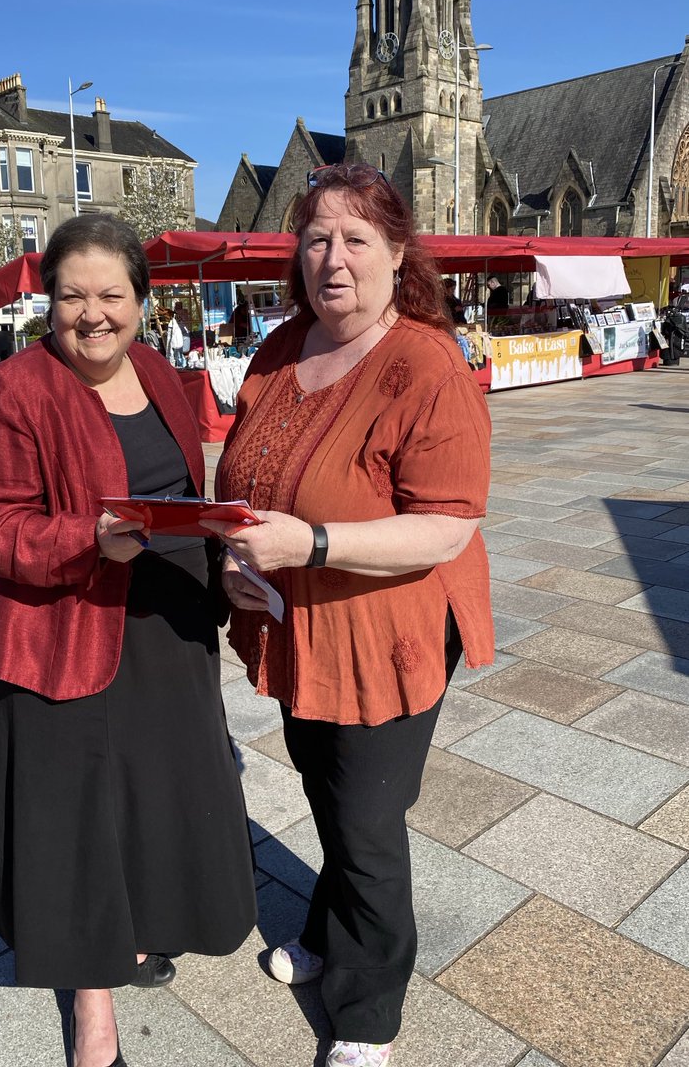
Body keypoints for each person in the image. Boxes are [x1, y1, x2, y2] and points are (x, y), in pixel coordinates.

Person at [202, 163, 493, 1067]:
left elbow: (448, 531)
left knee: (367, 826)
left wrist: (313, 545)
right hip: (297, 626)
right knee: (330, 795)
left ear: (397, 254)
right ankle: (330, 933)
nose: (334, 257)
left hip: (390, 632)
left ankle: (367, 1017)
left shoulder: (426, 364)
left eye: (356, 239)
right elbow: (241, 488)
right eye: (317, 236)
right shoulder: (280, 347)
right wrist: (234, 562)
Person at [0, 214, 256, 1067]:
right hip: (65, 628)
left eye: (112, 294)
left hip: (169, 624)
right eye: (73, 295)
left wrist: (222, 558)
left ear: (142, 302)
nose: (93, 313)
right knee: (78, 815)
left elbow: (181, 485)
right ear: (47, 301)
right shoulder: (1, 395)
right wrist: (90, 537)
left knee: (154, 792)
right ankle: (92, 1007)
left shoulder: (159, 372)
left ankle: (146, 923)